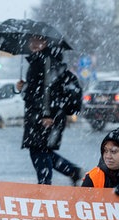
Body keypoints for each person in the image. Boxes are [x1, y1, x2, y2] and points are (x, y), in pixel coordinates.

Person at [15, 36, 82, 186]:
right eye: (32, 41)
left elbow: (49, 90)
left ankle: (45, 185)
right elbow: (35, 92)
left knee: (38, 151)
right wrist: (23, 87)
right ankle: (72, 172)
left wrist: (47, 115)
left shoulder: (46, 61)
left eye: (39, 41)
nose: (33, 44)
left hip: (46, 116)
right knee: (41, 150)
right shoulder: (38, 61)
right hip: (38, 114)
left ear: (46, 43)